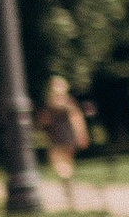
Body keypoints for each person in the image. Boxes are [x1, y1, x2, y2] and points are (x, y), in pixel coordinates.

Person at [38, 74, 90, 206]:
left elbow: (44, 121)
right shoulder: (68, 102)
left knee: (59, 165)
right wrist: (81, 134)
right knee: (66, 165)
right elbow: (77, 119)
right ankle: (68, 187)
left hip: (57, 138)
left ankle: (67, 186)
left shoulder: (49, 103)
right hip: (68, 137)